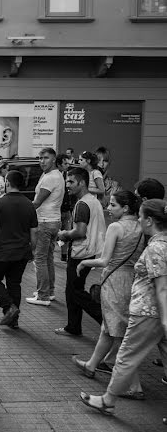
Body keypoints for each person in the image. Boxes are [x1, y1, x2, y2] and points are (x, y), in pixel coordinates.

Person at [80, 199, 167, 416]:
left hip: (148, 311)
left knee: (126, 356)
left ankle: (108, 400)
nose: (138, 219)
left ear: (149, 220)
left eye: (141, 216)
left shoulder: (156, 247)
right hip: (153, 312)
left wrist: (165, 318)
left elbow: (161, 287)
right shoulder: (161, 243)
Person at [72, 191, 145, 383]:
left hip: (114, 278)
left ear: (126, 208)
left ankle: (129, 380)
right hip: (132, 279)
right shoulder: (141, 227)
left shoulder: (116, 227)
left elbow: (104, 260)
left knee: (116, 327)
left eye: (113, 205)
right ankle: (93, 364)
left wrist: (84, 263)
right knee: (111, 325)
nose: (108, 208)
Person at [0, 171, 38, 329]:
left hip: (1, 252)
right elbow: (34, 232)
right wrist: (32, 250)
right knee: (14, 283)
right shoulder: (29, 204)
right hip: (21, 253)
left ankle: (9, 307)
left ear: (7, 183)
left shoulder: (0, 203)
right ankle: (13, 320)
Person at [56, 167, 107, 337]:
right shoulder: (93, 200)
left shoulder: (82, 204)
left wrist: (64, 234)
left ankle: (105, 321)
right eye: (66, 181)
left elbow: (79, 232)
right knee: (73, 290)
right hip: (89, 251)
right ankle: (73, 326)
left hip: (81, 253)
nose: (67, 185)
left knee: (75, 291)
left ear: (82, 182)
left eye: (71, 182)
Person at [26, 148, 65, 306]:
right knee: (47, 258)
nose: (42, 161)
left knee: (40, 259)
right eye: (40, 158)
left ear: (54, 159)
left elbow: (36, 202)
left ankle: (43, 296)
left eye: (46, 158)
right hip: (53, 221)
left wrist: (20, 210)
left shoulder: (50, 177)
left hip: (45, 221)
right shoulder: (54, 175)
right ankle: (49, 292)